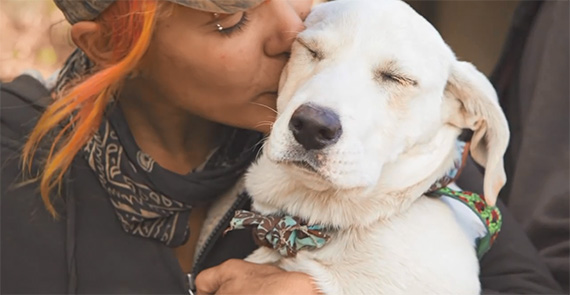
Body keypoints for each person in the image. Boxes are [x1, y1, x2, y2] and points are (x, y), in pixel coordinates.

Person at [0, 0, 563, 294]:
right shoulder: (13, 158)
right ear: (109, 45)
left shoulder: (407, 163)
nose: (293, 31)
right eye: (231, 22)